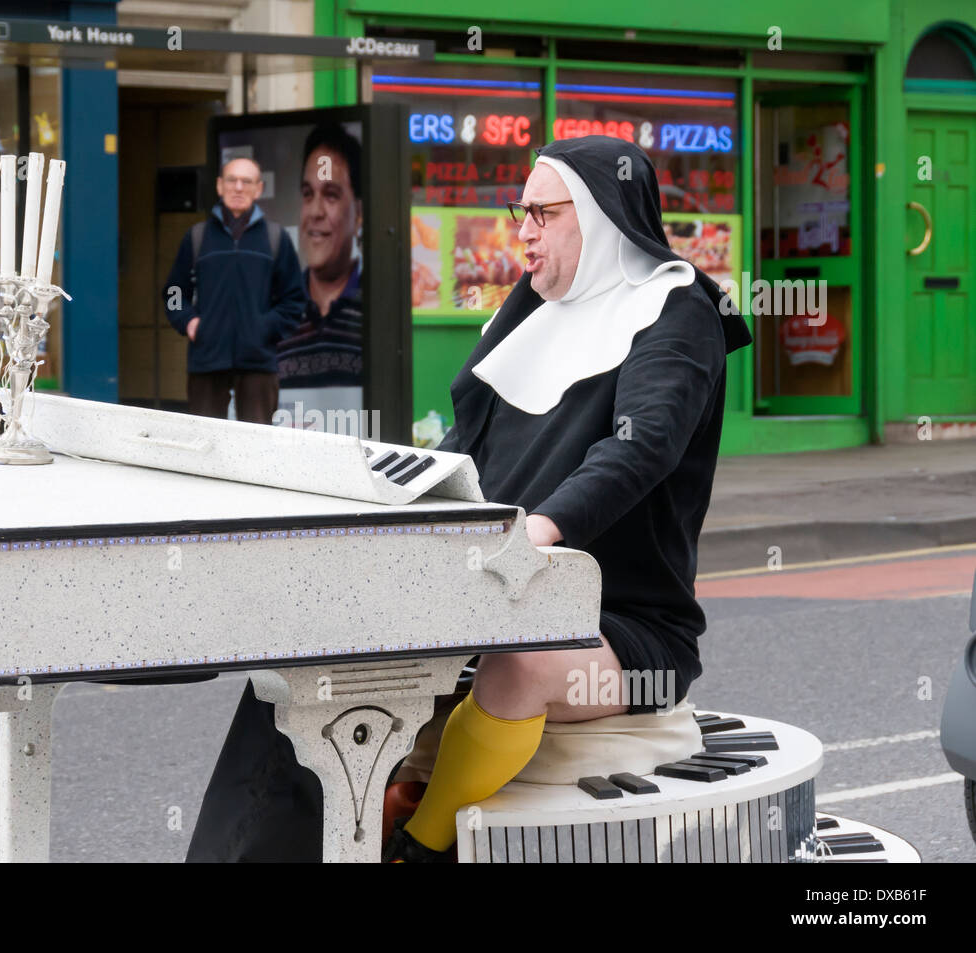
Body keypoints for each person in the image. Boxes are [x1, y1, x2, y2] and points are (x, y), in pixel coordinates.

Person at [184, 135, 751, 863]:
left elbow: (640, 448)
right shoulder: (530, 313)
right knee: (310, 656)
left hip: (620, 619)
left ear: (602, 216)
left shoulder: (677, 312)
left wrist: (539, 529)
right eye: (520, 214)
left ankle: (421, 844)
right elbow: (460, 452)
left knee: (519, 664)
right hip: (487, 587)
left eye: (542, 214)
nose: (523, 232)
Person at [163, 156, 306, 424]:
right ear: (219, 186)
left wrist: (265, 328)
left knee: (257, 448)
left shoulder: (275, 239)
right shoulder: (197, 237)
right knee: (204, 443)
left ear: (259, 189)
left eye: (247, 181)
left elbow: (295, 300)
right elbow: (173, 292)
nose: (238, 187)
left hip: (258, 363)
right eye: (232, 180)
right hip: (207, 358)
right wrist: (189, 322)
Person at [275, 122, 364, 399]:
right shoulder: (275, 310)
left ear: (359, 213)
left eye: (331, 195)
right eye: (307, 194)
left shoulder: (377, 312)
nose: (315, 212)